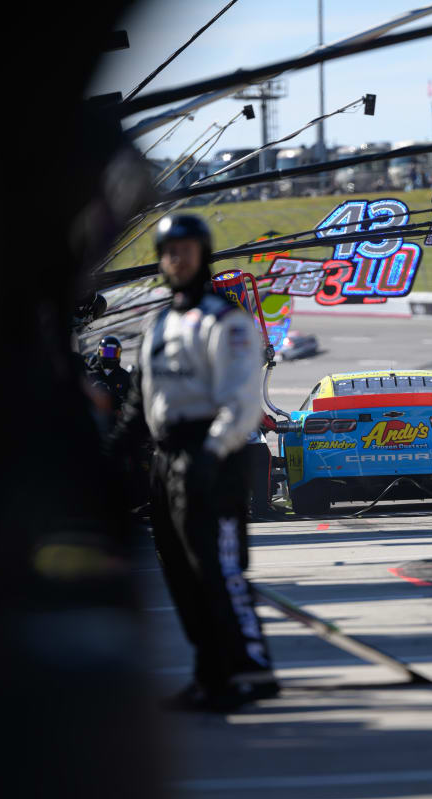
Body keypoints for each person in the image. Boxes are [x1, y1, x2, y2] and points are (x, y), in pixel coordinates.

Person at [109, 214, 277, 712]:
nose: (175, 259)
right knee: (181, 577)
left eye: (184, 250)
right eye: (168, 252)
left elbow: (241, 401)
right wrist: (113, 453)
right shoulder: (157, 324)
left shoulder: (226, 321)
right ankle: (210, 675)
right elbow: (139, 403)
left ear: (203, 254)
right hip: (166, 461)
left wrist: (211, 453)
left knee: (219, 572)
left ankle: (250, 670)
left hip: (213, 460)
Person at [86, 334, 132, 420]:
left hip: (118, 422)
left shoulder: (126, 377)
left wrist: (118, 403)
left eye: (114, 353)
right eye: (107, 353)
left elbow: (133, 403)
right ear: (99, 352)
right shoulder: (90, 376)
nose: (111, 356)